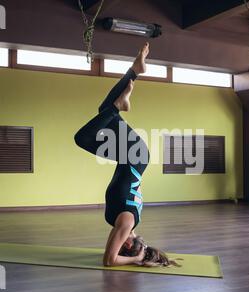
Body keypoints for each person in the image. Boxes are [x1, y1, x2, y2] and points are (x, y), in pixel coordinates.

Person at [74, 42, 180, 267]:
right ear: (128, 246)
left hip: (132, 157)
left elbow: (110, 251)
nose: (117, 242)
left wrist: (141, 255)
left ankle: (135, 71)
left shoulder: (127, 223)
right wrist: (138, 260)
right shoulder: (126, 222)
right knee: (83, 137)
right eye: (123, 245)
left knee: (105, 110)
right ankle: (122, 97)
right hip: (135, 155)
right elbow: (109, 261)